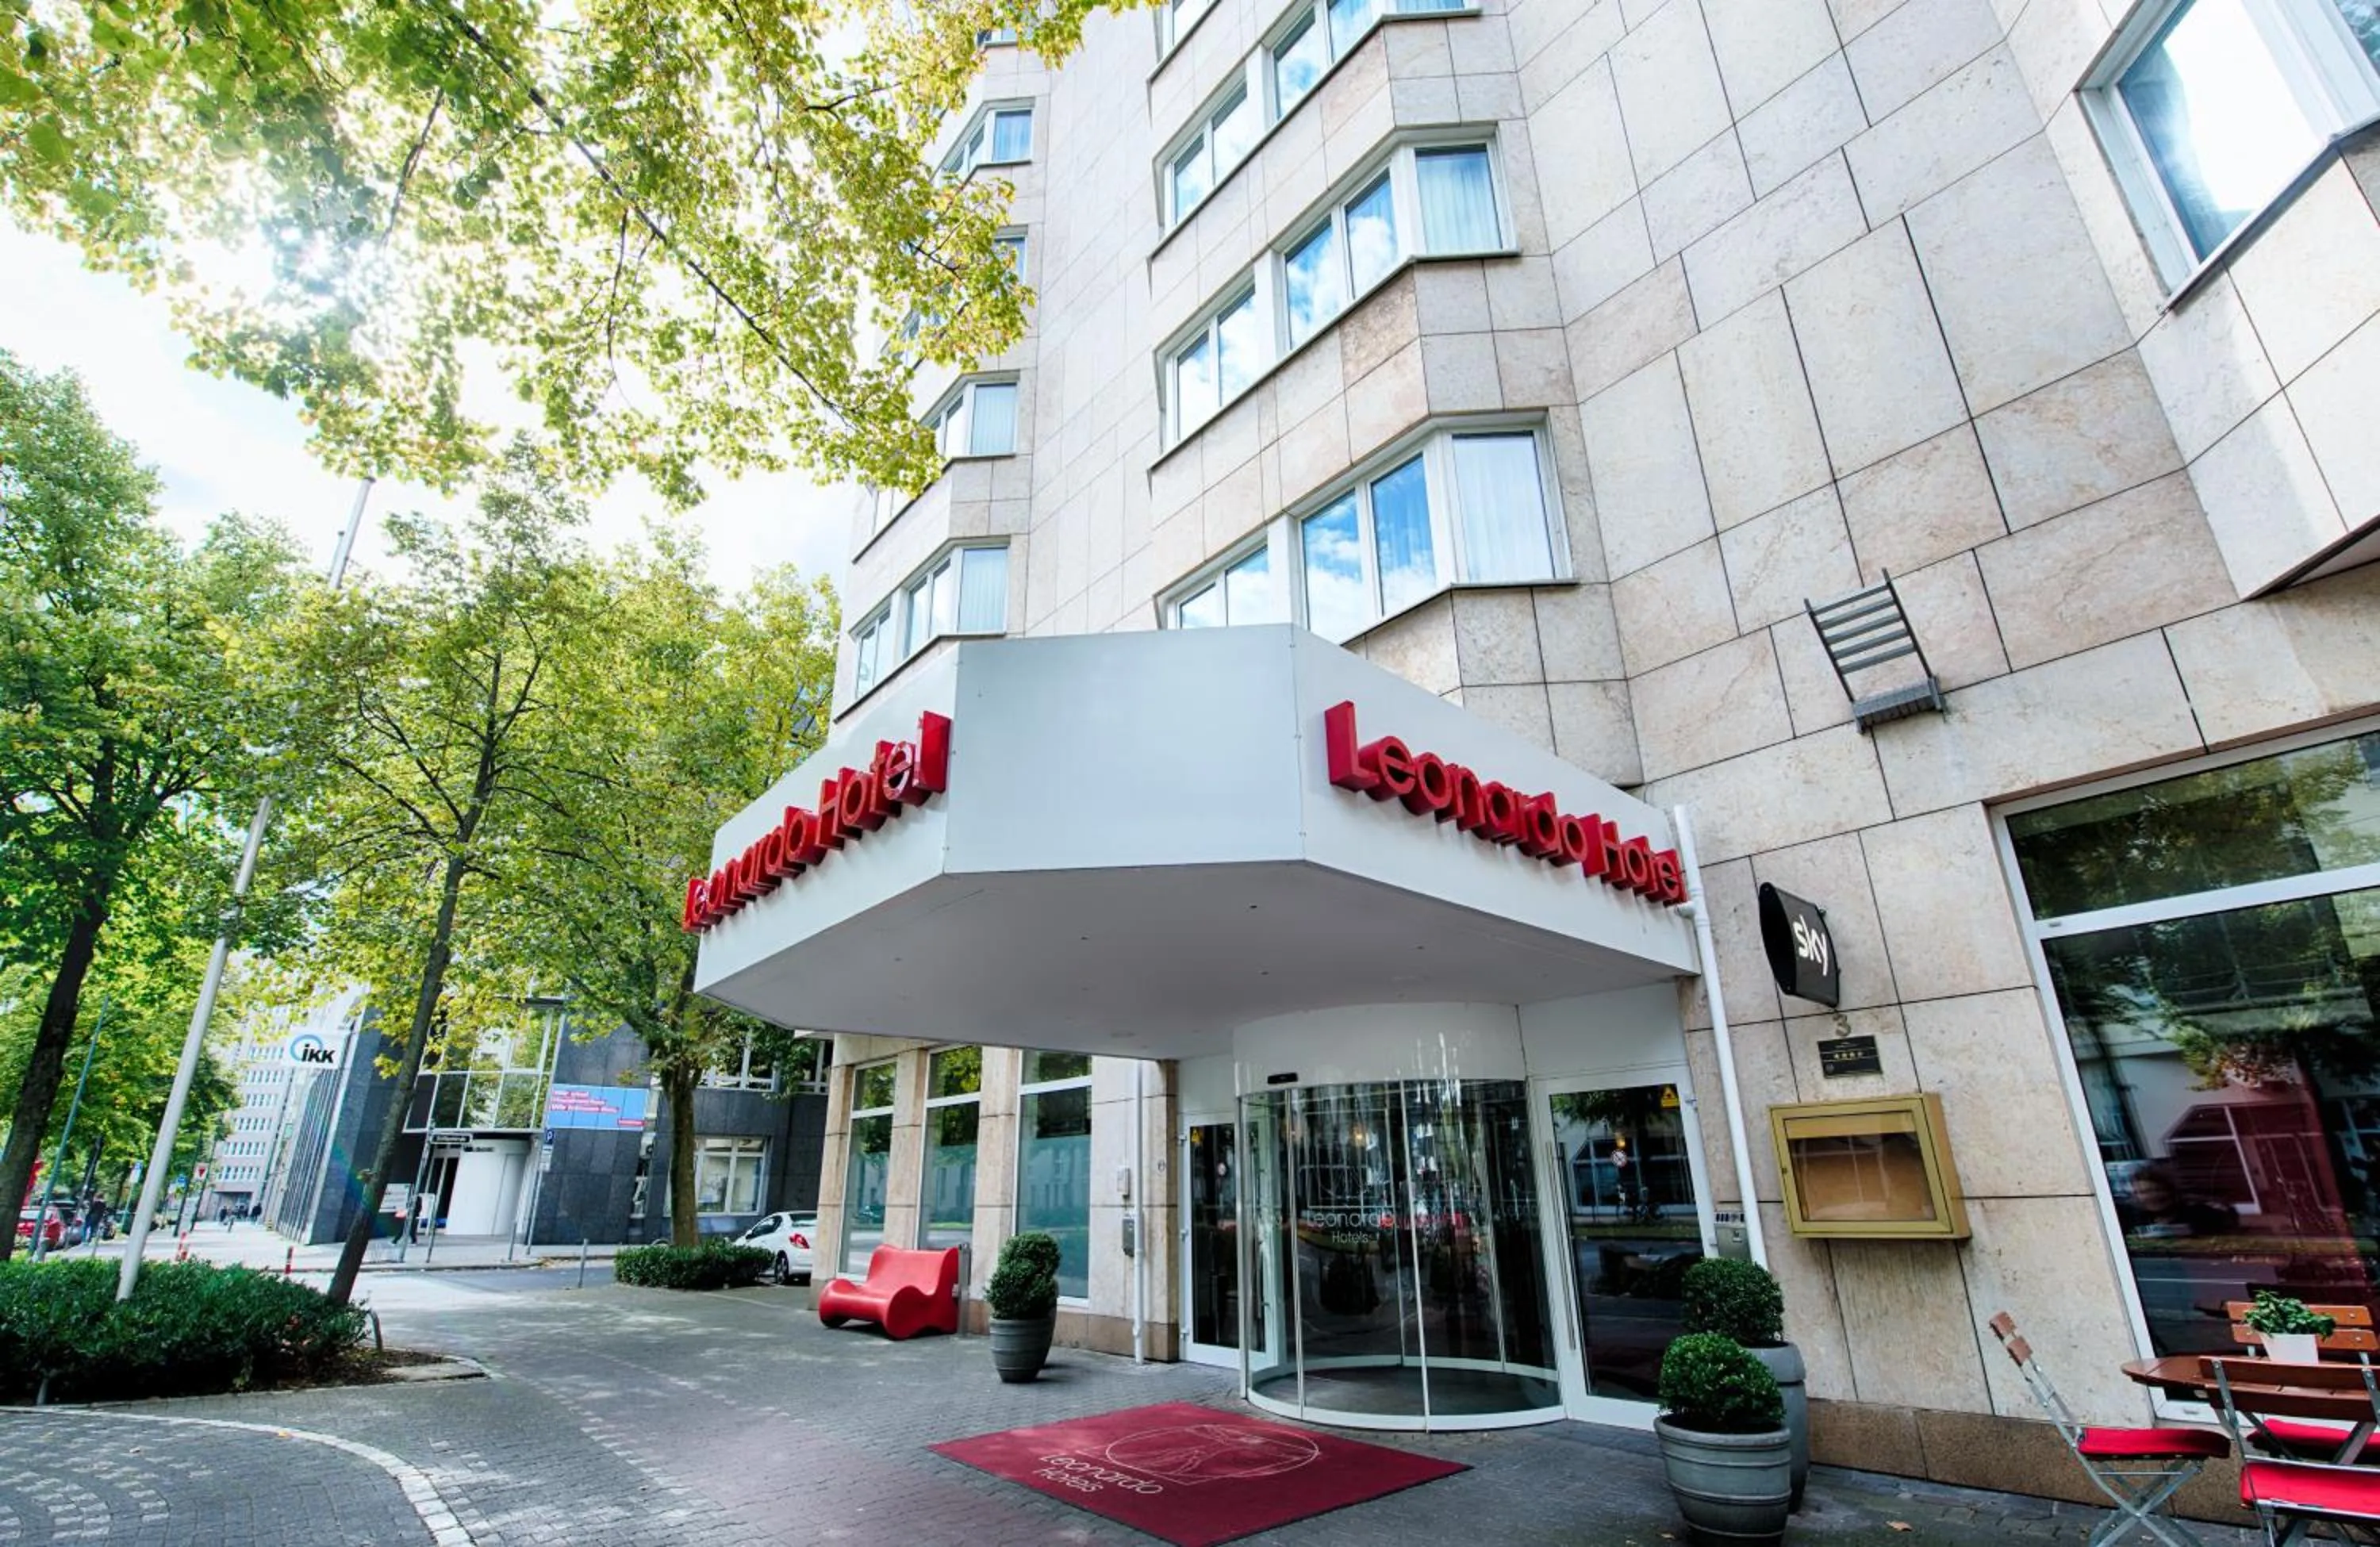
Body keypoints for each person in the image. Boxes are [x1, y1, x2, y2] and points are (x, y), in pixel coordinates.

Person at [2121, 1162, 2238, 1238]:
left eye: (2155, 1190)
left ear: (2170, 1191)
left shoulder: (2202, 1214)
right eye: (2142, 1193)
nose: (2149, 1197)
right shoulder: (2131, 1220)